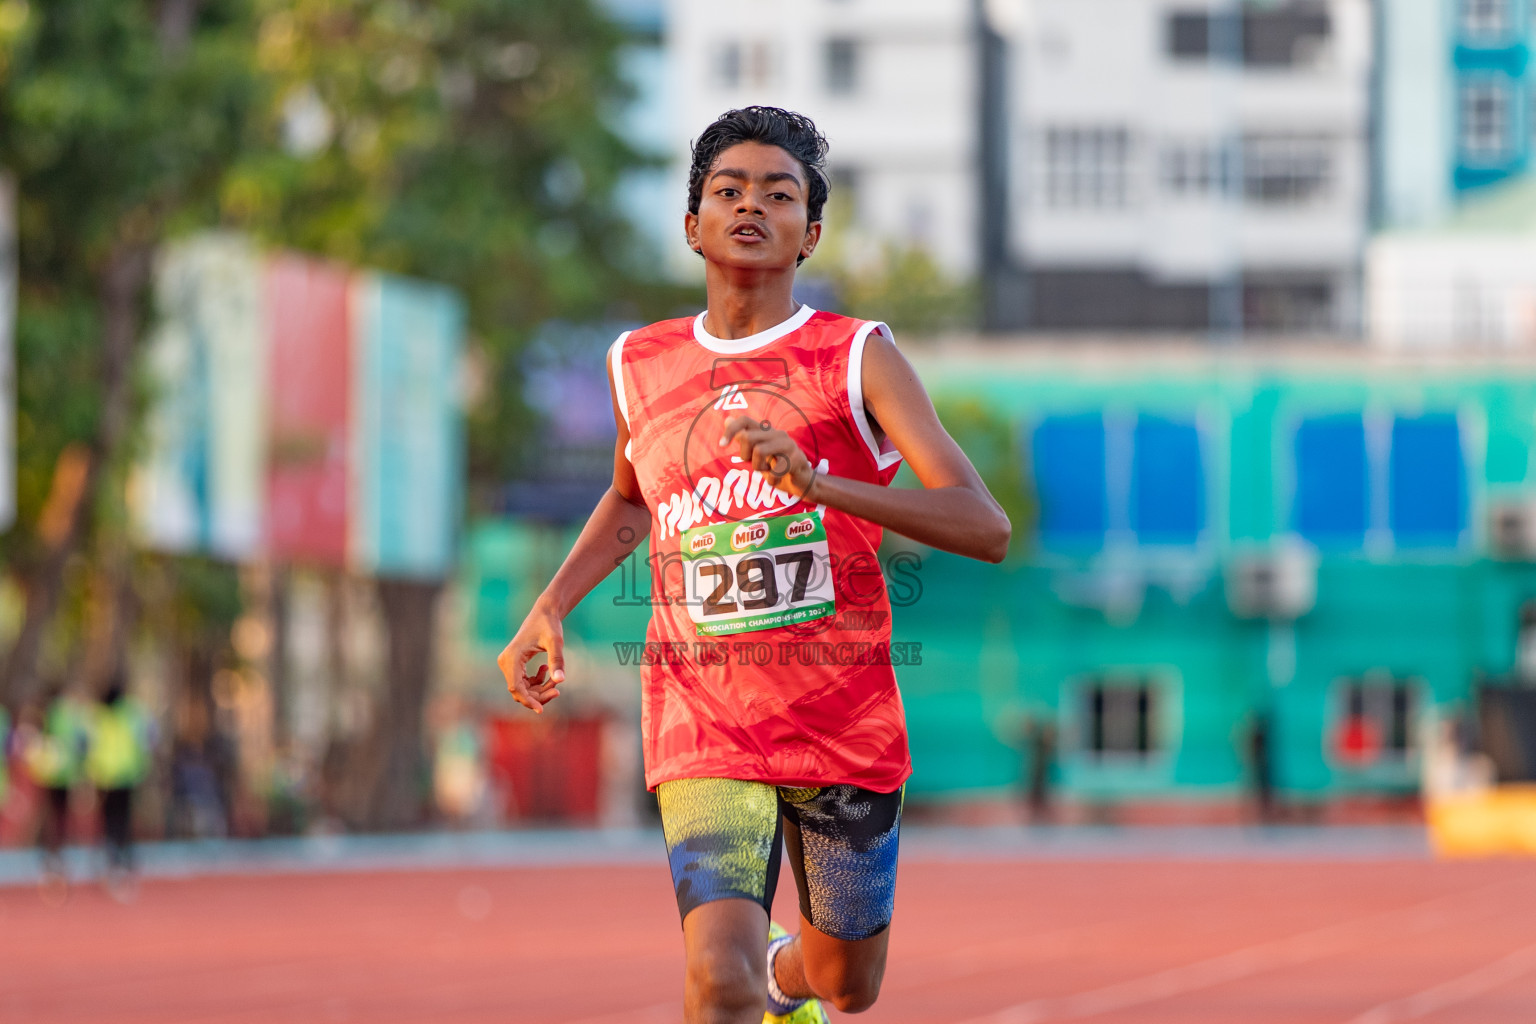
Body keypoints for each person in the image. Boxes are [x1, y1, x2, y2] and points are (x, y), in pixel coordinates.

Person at [499, 106, 1010, 1024]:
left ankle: (791, 982)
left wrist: (823, 487)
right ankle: (753, 981)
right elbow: (629, 498)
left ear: (810, 233)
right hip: (705, 721)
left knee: (849, 984)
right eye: (726, 191)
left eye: (779, 195)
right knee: (715, 981)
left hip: (843, 722)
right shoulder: (638, 364)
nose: (750, 207)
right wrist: (551, 604)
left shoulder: (859, 358)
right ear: (691, 223)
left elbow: (984, 524)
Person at [85, 676, 154, 892]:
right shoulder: (132, 715)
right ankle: (122, 861)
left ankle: (113, 861)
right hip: (126, 776)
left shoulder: (99, 717)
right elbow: (147, 740)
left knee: (109, 821)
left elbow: (89, 746)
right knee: (122, 820)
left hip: (106, 778)